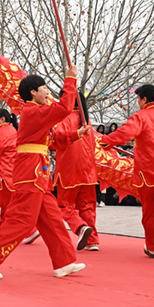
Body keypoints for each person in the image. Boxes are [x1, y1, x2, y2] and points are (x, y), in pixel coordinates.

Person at [0, 64, 88, 280]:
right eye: (45, 88)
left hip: (39, 171)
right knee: (24, 219)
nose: (48, 92)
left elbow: (53, 141)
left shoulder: (36, 114)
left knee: (53, 219)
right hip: (31, 171)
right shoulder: (33, 111)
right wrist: (69, 79)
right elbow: (64, 108)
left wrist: (76, 133)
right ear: (33, 92)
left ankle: (64, 262)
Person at [99, 84, 154, 264]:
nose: (138, 103)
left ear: (144, 99)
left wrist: (104, 142)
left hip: (150, 173)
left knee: (150, 213)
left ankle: (153, 247)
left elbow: (124, 134)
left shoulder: (141, 117)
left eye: (138, 99)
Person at [52, 91, 98, 251]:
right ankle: (92, 241)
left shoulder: (65, 119)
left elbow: (56, 138)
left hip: (69, 169)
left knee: (65, 206)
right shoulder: (86, 121)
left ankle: (80, 228)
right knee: (87, 206)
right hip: (88, 170)